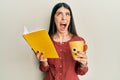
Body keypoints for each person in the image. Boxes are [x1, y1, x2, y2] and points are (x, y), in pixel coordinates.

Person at [35, 2, 88, 80]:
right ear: (54, 18)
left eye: (67, 14)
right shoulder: (46, 41)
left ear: (70, 18)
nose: (64, 18)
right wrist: (43, 62)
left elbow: (81, 72)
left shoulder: (78, 41)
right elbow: (44, 69)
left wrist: (84, 64)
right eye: (59, 14)